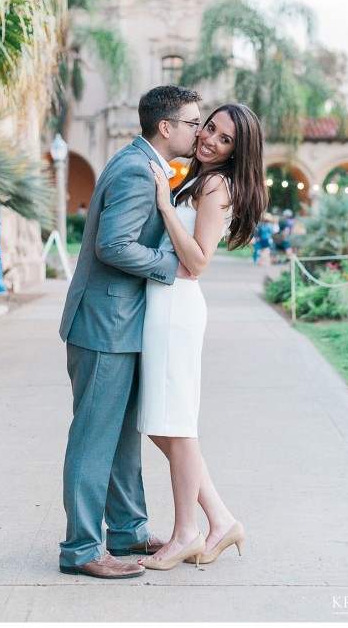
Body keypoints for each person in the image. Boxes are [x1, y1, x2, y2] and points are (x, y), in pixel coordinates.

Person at [58, 85, 203, 579]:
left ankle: (127, 531)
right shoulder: (137, 171)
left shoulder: (146, 166)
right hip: (103, 325)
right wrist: (168, 265)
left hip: (122, 324)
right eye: (192, 123)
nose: (198, 132)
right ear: (167, 127)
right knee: (94, 438)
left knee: (122, 437)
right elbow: (113, 245)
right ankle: (80, 549)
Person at [136, 103, 268, 571]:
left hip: (177, 306)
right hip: (164, 304)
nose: (210, 139)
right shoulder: (196, 176)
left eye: (224, 138)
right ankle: (221, 519)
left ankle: (186, 532)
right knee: (160, 422)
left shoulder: (214, 184)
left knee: (176, 424)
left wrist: (163, 204)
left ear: (238, 151)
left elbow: (197, 260)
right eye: (209, 127)